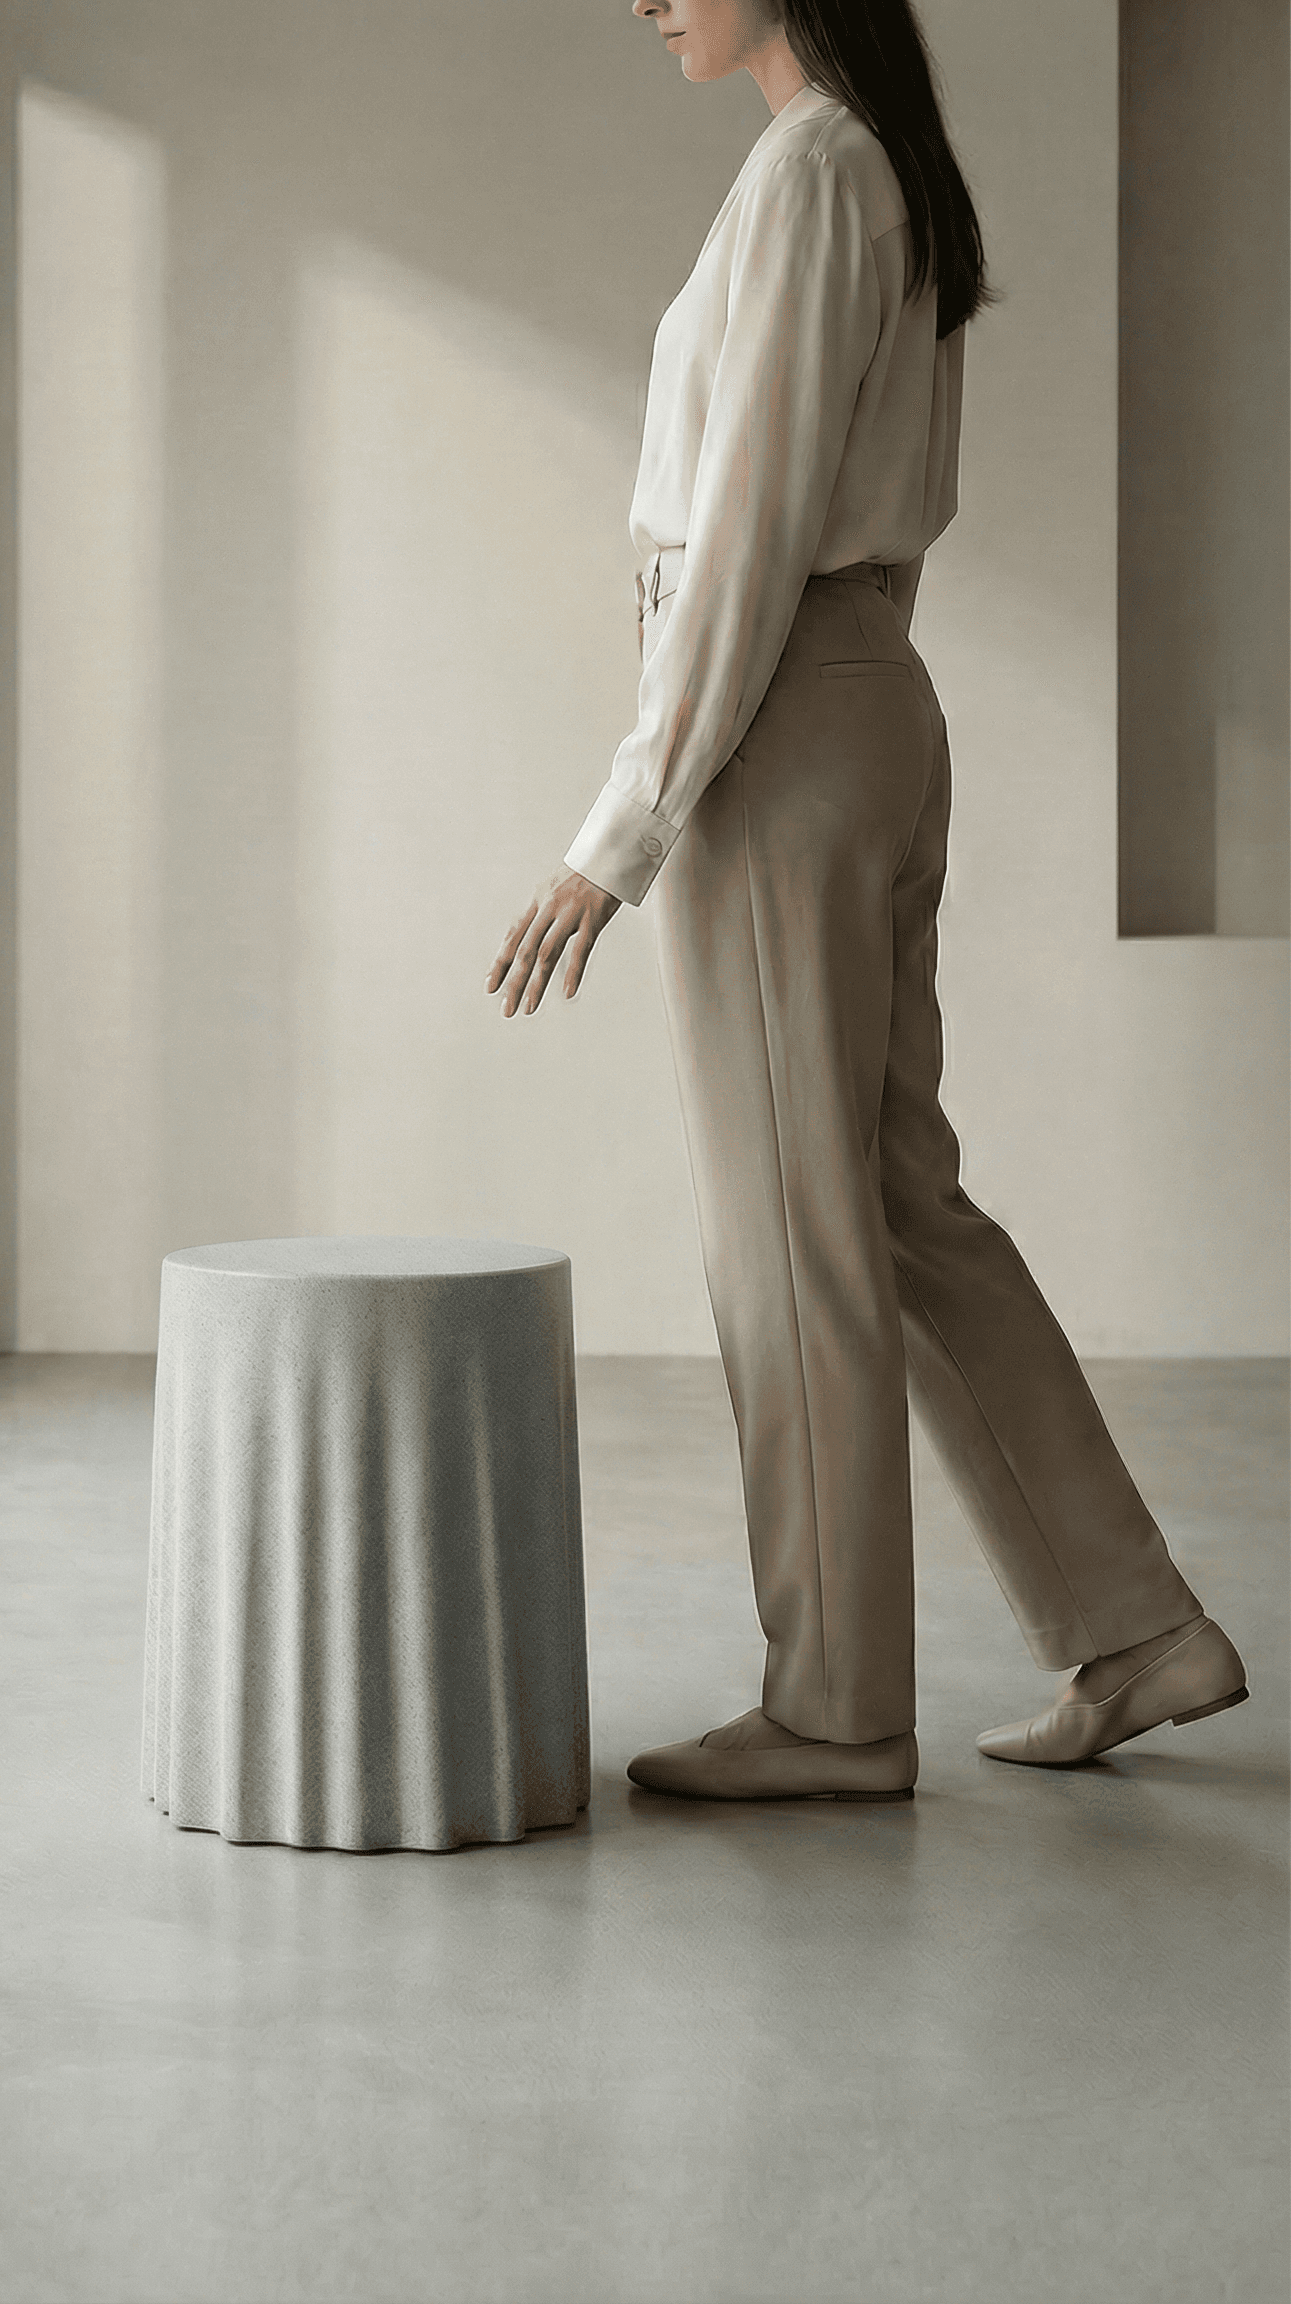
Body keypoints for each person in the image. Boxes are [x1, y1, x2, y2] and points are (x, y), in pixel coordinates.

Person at [484, 0, 1248, 1802]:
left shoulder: (820, 170)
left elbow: (741, 531)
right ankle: (1135, 1626)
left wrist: (626, 821)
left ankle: (832, 1708)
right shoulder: (863, 164)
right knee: (895, 1202)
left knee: (794, 1233)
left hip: (779, 726)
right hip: (859, 702)